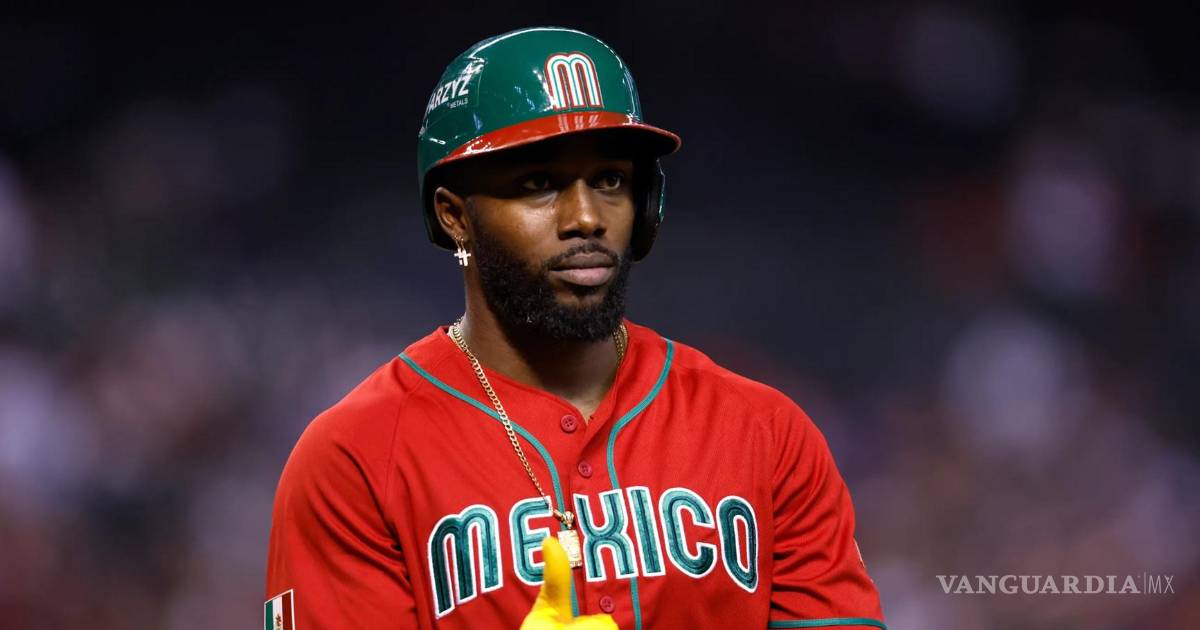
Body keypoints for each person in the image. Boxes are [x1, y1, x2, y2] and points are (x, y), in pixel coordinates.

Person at [265, 26, 886, 630]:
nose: (586, 217)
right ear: (455, 216)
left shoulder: (765, 434)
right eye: (538, 184)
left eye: (610, 180)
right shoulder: (354, 460)